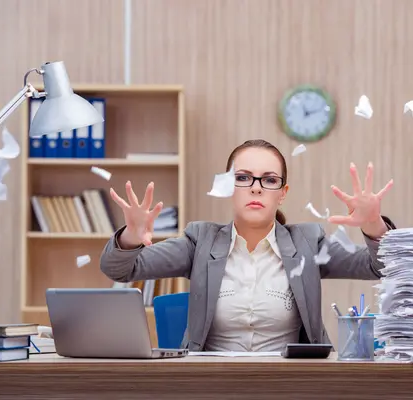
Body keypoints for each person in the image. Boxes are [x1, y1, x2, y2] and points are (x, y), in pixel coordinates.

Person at [100, 139, 396, 352]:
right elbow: (120, 269)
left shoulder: (307, 242)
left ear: (282, 193)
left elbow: (379, 267)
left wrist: (374, 226)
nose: (256, 187)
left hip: (291, 385)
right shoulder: (199, 240)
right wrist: (130, 235)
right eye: (243, 178)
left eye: (269, 180)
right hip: (212, 384)